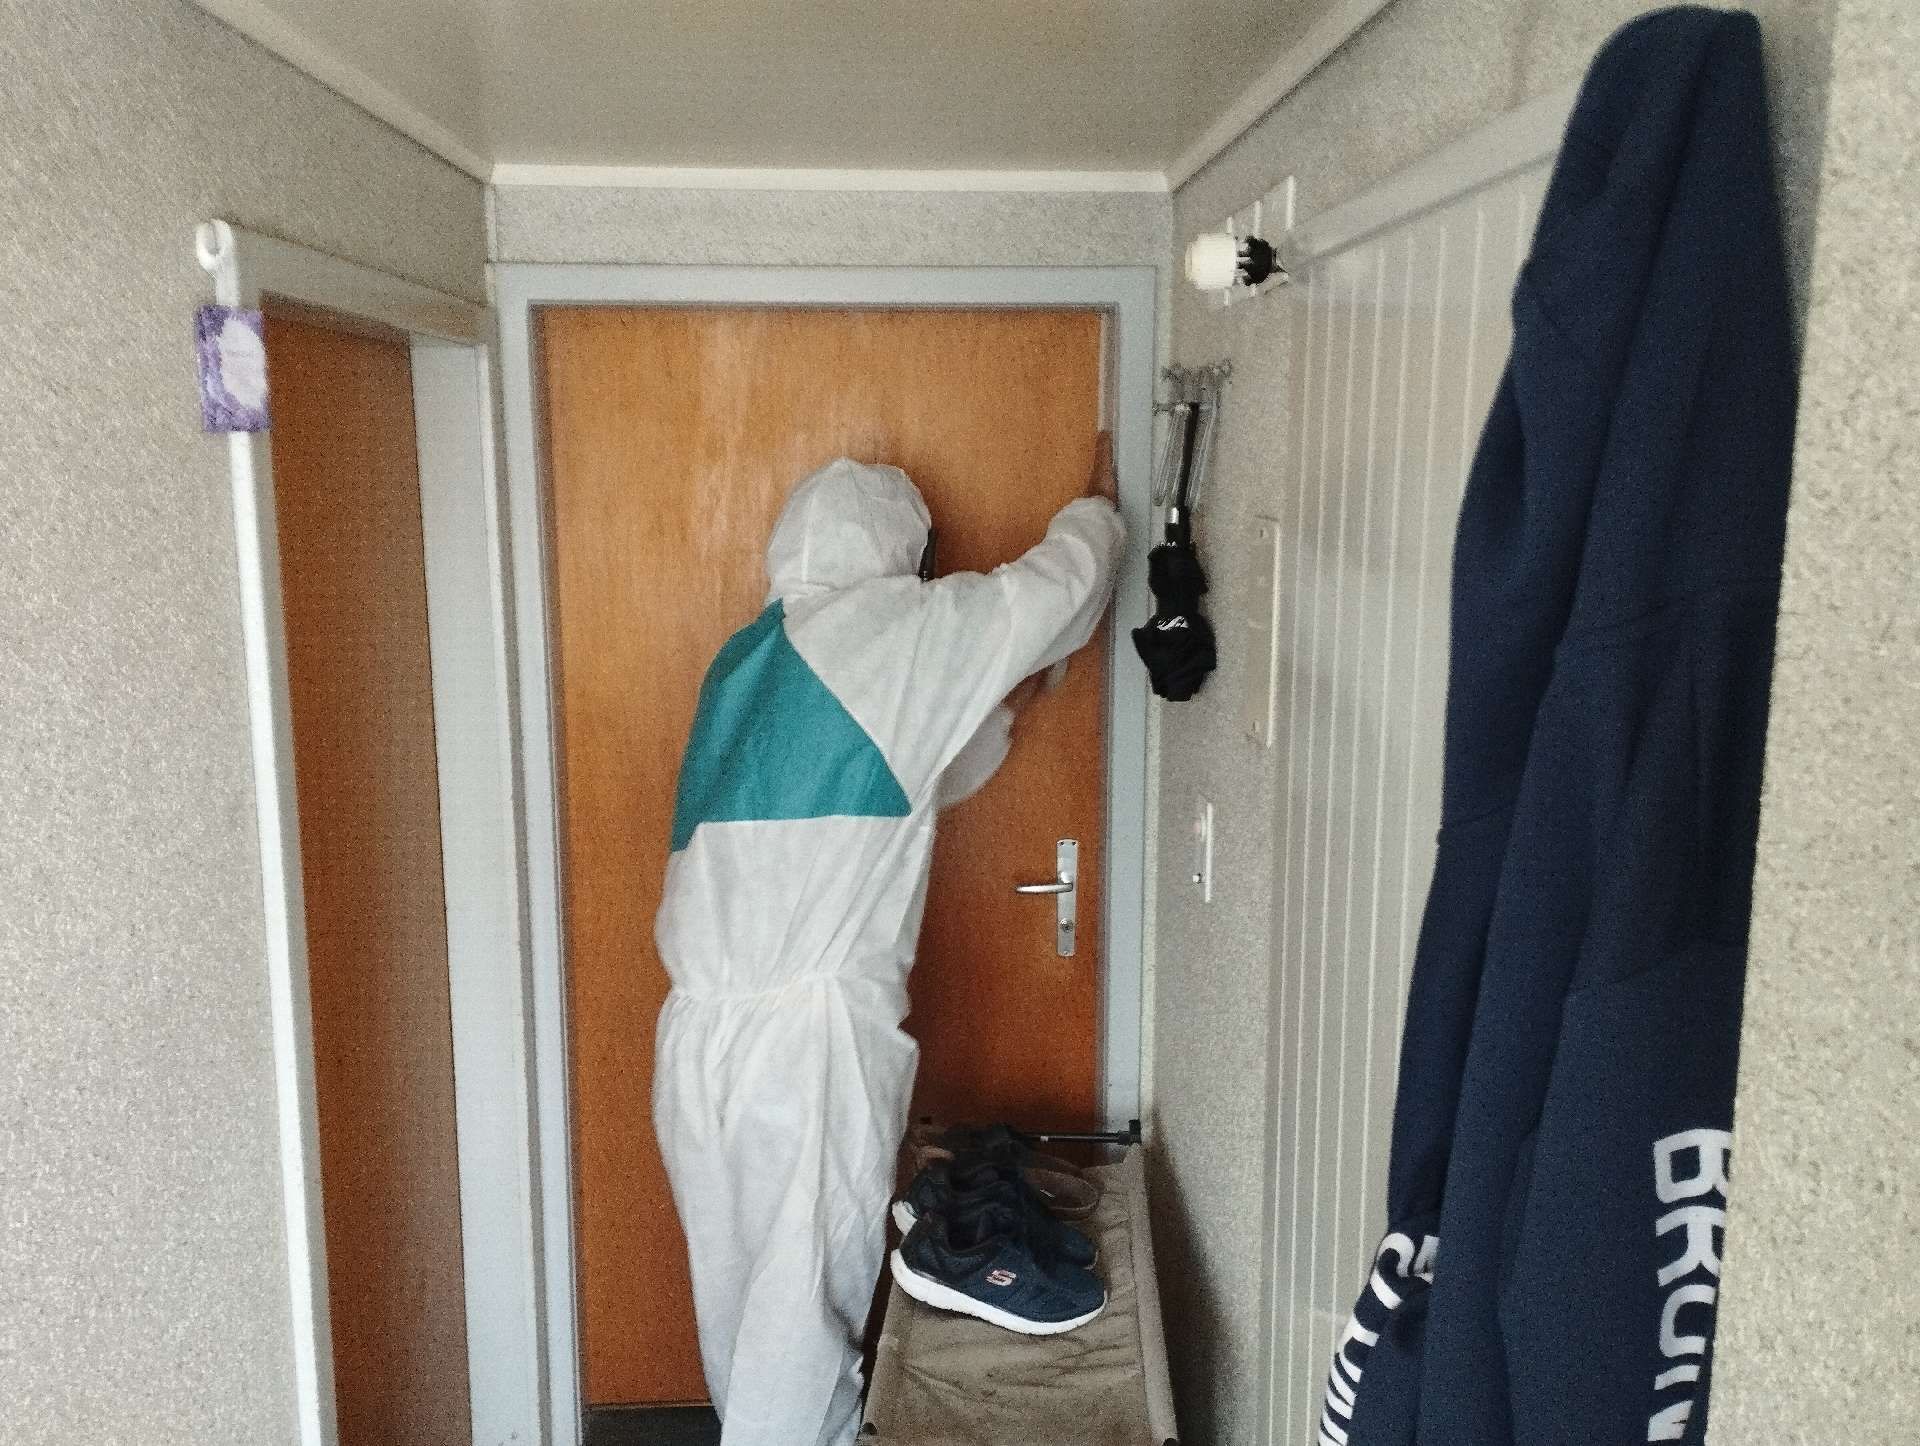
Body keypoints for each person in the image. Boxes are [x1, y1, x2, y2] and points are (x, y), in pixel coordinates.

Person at [652, 451, 1124, 1446]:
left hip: (694, 1039)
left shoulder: (743, 663)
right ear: (898, 552)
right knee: (800, 1324)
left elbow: (891, 784)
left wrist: (998, 710)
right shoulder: (888, 631)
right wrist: (1097, 509)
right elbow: (1055, 592)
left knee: (740, 1321)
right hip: (803, 1050)